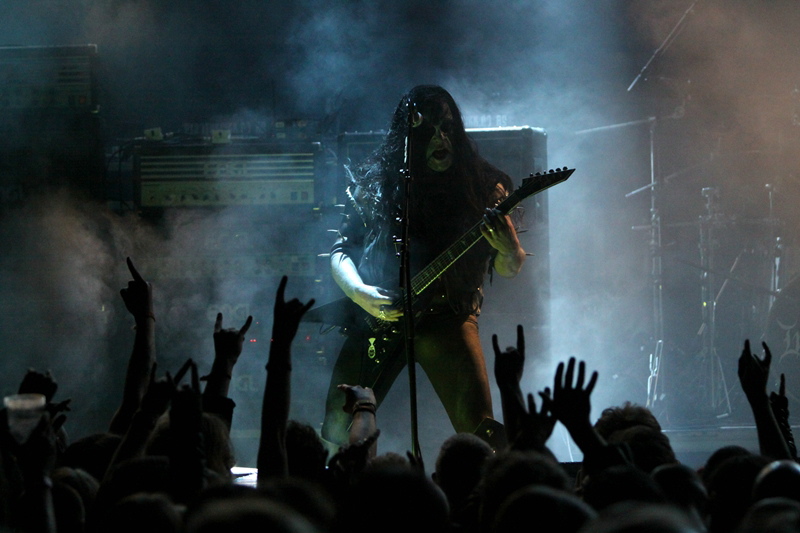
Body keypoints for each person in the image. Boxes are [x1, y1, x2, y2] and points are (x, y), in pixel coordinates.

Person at [320, 85, 526, 448]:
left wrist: (510, 250)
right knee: (338, 427)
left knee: (481, 433)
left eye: (446, 127)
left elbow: (509, 268)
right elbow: (342, 250)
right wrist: (360, 293)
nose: (439, 137)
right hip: (379, 314)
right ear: (407, 137)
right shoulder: (378, 182)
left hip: (449, 316)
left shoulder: (483, 185)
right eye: (427, 130)